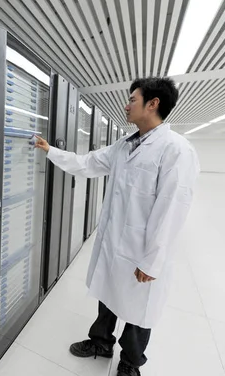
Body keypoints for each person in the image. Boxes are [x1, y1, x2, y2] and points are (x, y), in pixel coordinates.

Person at [34, 77, 199, 376]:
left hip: (142, 249)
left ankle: (130, 362)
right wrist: (50, 151)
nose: (126, 105)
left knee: (138, 309)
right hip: (115, 242)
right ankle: (101, 342)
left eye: (132, 99)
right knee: (108, 292)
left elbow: (173, 208)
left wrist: (153, 259)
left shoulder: (176, 150)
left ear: (153, 104)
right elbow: (87, 164)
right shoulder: (124, 145)